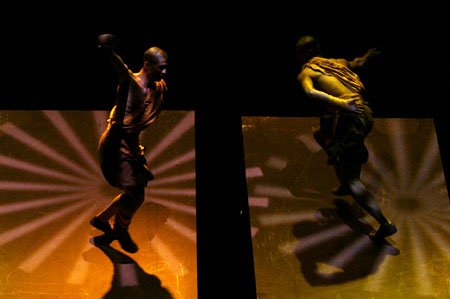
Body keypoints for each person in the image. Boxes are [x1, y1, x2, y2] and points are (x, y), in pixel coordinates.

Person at [296, 35, 396, 239]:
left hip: (349, 118)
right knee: (321, 130)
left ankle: (384, 224)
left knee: (352, 180)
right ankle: (339, 156)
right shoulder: (338, 64)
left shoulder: (307, 71)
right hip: (365, 114)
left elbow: (309, 93)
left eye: (299, 54)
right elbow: (358, 62)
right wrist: (368, 55)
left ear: (307, 53)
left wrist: (341, 104)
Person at [90, 34, 168, 253]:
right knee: (136, 193)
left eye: (165, 68)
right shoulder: (132, 83)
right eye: (159, 68)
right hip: (116, 146)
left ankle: (102, 220)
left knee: (135, 191)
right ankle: (120, 229)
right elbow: (121, 69)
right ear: (146, 64)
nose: (163, 73)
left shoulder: (159, 88)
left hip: (130, 146)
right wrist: (108, 51)